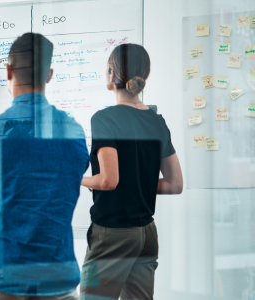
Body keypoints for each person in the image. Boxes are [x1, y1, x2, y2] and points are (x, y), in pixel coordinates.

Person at [0, 32, 89, 300]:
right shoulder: (73, 130)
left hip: (3, 272)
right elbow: (67, 182)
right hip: (57, 275)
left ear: (8, 71)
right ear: (49, 74)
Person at [80, 44, 183, 300]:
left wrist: (73, 178)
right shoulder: (156, 120)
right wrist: (138, 181)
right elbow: (174, 184)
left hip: (112, 235)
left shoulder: (105, 119)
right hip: (146, 233)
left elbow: (107, 180)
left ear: (111, 73)